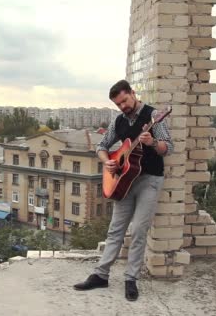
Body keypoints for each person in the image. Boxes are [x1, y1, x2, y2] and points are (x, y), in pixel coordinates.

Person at [73, 80, 173, 302]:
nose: (123, 107)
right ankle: (101, 275)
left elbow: (168, 148)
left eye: (125, 101)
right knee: (115, 229)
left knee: (138, 230)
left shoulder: (154, 116)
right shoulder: (118, 121)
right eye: (118, 104)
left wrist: (153, 142)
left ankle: (130, 279)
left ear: (133, 94)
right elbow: (101, 147)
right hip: (124, 181)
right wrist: (107, 162)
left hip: (149, 180)